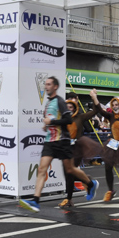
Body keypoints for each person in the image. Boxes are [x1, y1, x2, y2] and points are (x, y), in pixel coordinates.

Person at [19, 77, 99, 212]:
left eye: (49, 84)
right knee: (41, 169)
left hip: (62, 141)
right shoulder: (48, 103)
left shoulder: (60, 101)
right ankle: (35, 201)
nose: (46, 86)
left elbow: (68, 120)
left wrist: (52, 122)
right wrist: (46, 126)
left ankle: (91, 184)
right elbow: (51, 119)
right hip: (49, 141)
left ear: (55, 86)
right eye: (45, 84)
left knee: (70, 170)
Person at [60, 96, 102, 209]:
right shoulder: (62, 119)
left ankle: (69, 199)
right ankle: (89, 181)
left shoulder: (80, 117)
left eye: (71, 107)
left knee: (70, 173)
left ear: (74, 108)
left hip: (77, 149)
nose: (68, 109)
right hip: (65, 149)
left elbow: (95, 111)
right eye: (66, 107)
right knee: (67, 175)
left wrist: (94, 98)